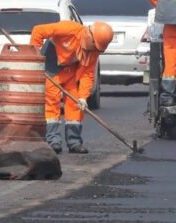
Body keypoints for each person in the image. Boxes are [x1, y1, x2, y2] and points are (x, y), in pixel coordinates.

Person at [30, 20, 114, 154]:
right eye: (94, 47)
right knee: (52, 102)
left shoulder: (94, 50)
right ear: (89, 36)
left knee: (75, 104)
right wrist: (34, 54)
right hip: (51, 67)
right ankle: (53, 141)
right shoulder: (69, 29)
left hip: (70, 72)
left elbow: (88, 74)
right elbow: (38, 30)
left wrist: (83, 97)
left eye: (97, 49)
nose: (94, 51)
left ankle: (74, 142)